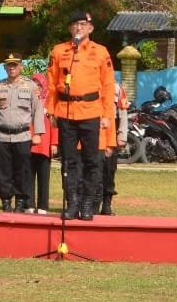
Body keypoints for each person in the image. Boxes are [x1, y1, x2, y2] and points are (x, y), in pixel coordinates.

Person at [46, 11, 116, 221]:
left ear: (90, 28)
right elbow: (51, 83)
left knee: (92, 160)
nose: (79, 27)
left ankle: (87, 203)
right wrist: (51, 110)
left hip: (91, 111)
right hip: (66, 111)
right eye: (75, 24)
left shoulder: (100, 52)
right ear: (70, 28)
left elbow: (108, 85)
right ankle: (72, 203)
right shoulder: (59, 51)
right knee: (68, 161)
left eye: (83, 24)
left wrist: (107, 115)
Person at [0, 54, 45, 213]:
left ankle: (20, 201)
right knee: (2, 171)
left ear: (21, 67)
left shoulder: (30, 86)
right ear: (5, 68)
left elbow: (38, 110)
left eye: (15, 65)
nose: (12, 68)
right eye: (9, 65)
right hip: (1, 136)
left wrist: (38, 133)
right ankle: (6, 200)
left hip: (22, 136)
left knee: (22, 170)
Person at [99, 83, 130, 216]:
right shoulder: (91, 83)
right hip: (93, 135)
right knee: (93, 172)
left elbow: (123, 113)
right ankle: (92, 204)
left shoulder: (116, 88)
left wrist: (122, 136)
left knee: (109, 172)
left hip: (111, 136)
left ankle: (107, 205)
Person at [28, 74, 56, 214]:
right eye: (34, 85)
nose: (37, 88)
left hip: (45, 145)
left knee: (44, 177)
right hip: (29, 143)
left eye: (39, 85)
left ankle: (43, 206)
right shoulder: (27, 100)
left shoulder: (49, 102)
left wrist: (54, 143)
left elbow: (54, 124)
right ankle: (29, 204)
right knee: (28, 175)